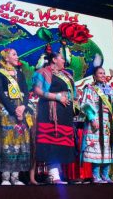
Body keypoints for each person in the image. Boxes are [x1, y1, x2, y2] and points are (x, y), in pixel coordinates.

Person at [32, 52, 77, 184]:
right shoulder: (43, 72)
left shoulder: (66, 74)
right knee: (52, 141)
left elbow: (72, 93)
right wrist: (57, 97)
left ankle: (57, 172)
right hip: (50, 111)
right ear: (54, 59)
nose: (64, 61)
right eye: (62, 58)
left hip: (64, 111)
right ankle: (53, 174)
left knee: (62, 141)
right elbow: (38, 91)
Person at [0, 48, 32, 185]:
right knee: (6, 141)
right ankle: (5, 177)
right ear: (6, 58)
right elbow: (1, 94)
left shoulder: (20, 74)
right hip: (6, 110)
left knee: (19, 141)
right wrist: (13, 109)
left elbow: (26, 92)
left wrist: (23, 107)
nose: (17, 56)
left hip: (21, 109)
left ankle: (15, 176)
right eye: (14, 54)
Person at [80, 66, 113, 183]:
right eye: (100, 73)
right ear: (94, 75)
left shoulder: (111, 89)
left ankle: (105, 175)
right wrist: (92, 119)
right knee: (97, 148)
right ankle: (96, 175)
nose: (103, 75)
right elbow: (87, 104)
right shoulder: (90, 88)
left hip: (109, 123)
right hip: (96, 122)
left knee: (109, 147)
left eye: (104, 73)